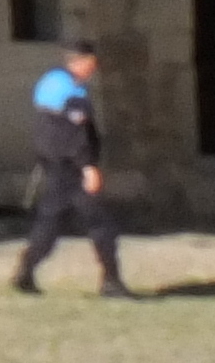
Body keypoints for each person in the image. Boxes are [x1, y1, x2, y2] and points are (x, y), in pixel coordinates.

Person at [14, 40, 130, 298]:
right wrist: (87, 166)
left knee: (50, 222)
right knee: (101, 224)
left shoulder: (48, 84)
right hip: (72, 168)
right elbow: (74, 133)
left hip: (53, 165)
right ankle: (111, 282)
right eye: (91, 62)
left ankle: (25, 272)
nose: (93, 68)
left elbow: (46, 130)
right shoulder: (73, 93)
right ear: (79, 62)